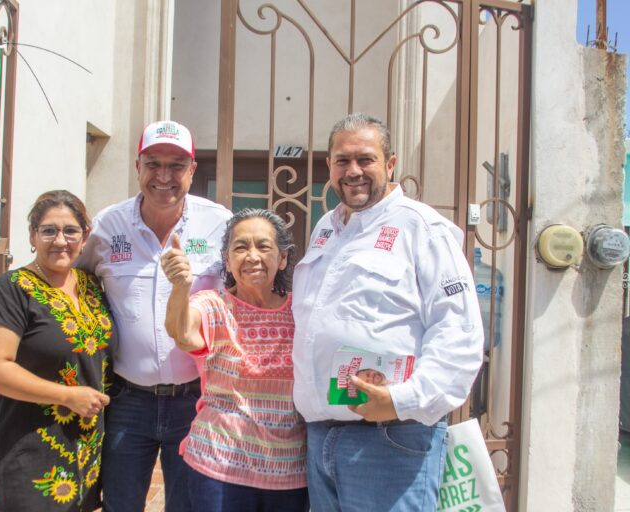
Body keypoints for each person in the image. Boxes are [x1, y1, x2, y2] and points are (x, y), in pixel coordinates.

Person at [291, 113, 484, 511]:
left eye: (366, 159)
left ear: (391, 164)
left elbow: (459, 332)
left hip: (391, 439)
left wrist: (402, 400)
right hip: (321, 437)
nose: (354, 171)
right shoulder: (327, 227)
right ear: (329, 166)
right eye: (342, 161)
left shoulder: (422, 228)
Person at [78, 120, 232, 512]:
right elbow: (63, 275)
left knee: (188, 505)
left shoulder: (219, 224)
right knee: (121, 504)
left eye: (176, 165)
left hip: (196, 400)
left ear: (193, 170)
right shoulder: (106, 227)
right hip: (129, 399)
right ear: (138, 167)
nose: (164, 176)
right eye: (154, 163)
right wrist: (12, 291)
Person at [161, 208, 309, 512]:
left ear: (282, 258)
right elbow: (183, 334)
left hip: (289, 472)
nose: (252, 256)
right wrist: (180, 287)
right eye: (240, 247)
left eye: (263, 246)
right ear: (227, 261)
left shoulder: (302, 312)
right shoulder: (214, 305)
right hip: (219, 466)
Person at [0, 190, 117, 511]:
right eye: (49, 230)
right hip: (28, 446)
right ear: (33, 236)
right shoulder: (11, 289)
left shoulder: (91, 285)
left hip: (86, 447)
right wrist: (67, 396)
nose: (60, 240)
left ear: (85, 237)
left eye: (70, 231)